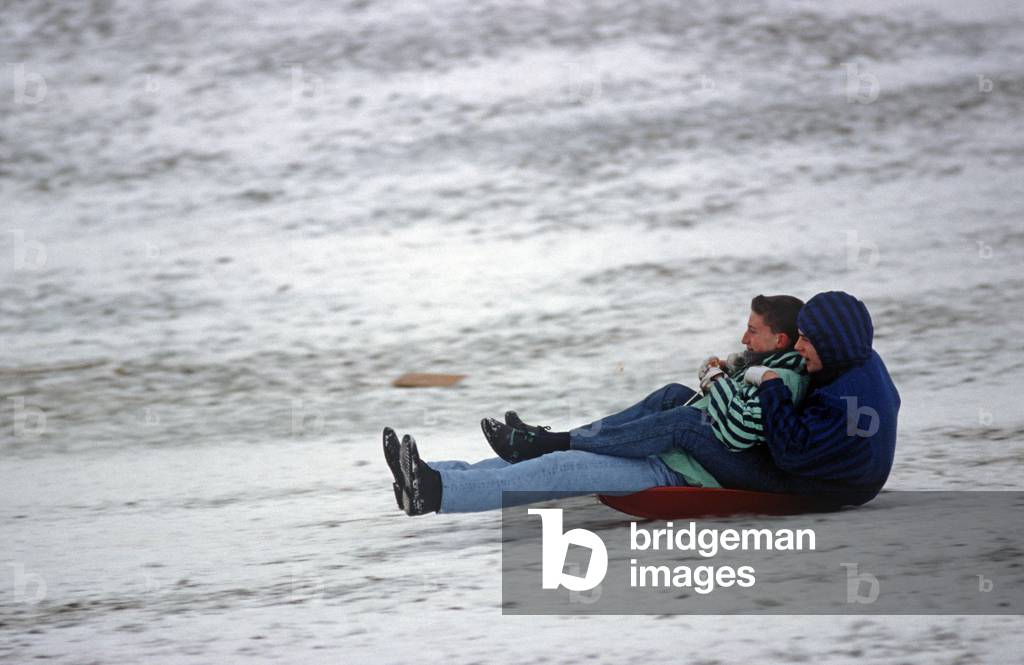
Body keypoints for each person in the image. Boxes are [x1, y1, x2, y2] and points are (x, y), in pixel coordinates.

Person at [383, 294, 810, 515]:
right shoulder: (762, 366)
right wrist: (730, 373)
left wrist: (720, 381)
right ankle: (431, 475)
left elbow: (738, 432)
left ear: (780, 341)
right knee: (664, 397)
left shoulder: (781, 379)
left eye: (753, 331)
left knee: (555, 468)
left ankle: (436, 492)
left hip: (684, 470)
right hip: (673, 451)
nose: (743, 339)